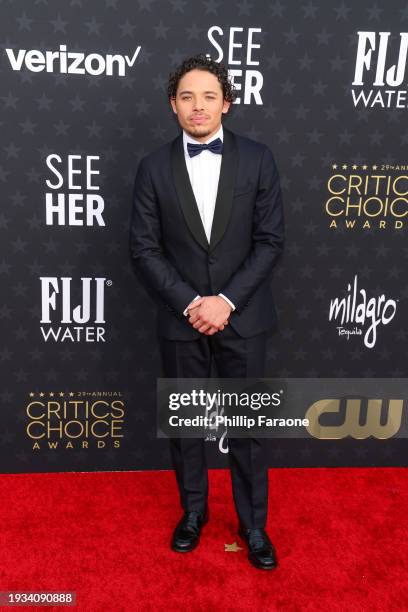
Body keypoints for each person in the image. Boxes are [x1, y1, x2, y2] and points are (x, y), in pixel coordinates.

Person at [129, 53, 284, 570]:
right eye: (188, 97)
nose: (199, 106)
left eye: (209, 96)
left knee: (248, 428)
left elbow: (269, 242)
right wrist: (193, 303)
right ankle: (193, 513)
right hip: (181, 321)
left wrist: (226, 301)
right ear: (172, 106)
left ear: (228, 104)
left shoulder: (259, 159)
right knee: (186, 425)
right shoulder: (152, 167)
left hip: (244, 318)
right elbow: (144, 249)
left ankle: (253, 526)